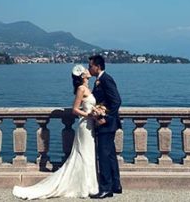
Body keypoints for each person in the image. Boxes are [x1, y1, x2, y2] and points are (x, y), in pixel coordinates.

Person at [12, 64, 99, 200]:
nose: (88, 70)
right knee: (84, 153)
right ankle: (84, 186)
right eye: (85, 70)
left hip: (90, 126)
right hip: (85, 125)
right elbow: (75, 109)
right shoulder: (81, 89)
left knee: (88, 153)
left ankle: (89, 184)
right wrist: (89, 115)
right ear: (83, 75)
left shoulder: (87, 88)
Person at [88, 55, 122, 199]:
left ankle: (106, 188)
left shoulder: (106, 79)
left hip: (106, 125)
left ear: (98, 66)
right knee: (110, 155)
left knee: (103, 156)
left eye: (90, 66)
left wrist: (104, 118)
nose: (89, 68)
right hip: (108, 124)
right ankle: (116, 185)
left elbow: (116, 101)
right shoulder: (99, 80)